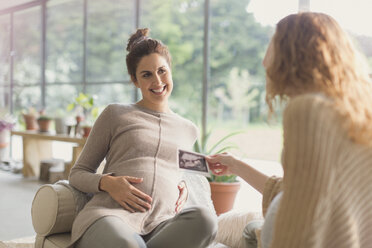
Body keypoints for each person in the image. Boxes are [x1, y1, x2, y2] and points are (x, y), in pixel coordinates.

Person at [206, 12, 372, 248]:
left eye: (272, 45)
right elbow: (295, 188)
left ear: (292, 53)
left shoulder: (308, 110)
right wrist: (235, 165)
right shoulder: (356, 111)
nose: (264, 61)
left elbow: (300, 216)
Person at [69, 28, 217, 248]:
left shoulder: (188, 129)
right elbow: (77, 174)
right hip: (112, 217)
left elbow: (179, 170)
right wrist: (107, 183)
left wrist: (184, 182)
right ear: (135, 80)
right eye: (146, 74)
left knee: (206, 221)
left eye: (162, 71)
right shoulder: (115, 114)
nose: (157, 81)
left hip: (163, 223)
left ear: (170, 70)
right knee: (129, 245)